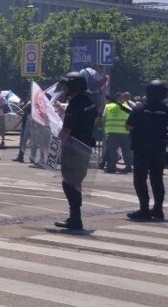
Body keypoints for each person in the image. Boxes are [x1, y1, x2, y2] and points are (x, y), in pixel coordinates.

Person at [55, 71, 98, 232]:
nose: (64, 88)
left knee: (69, 184)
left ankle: (75, 219)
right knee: (76, 183)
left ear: (73, 86)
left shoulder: (75, 104)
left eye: (66, 85)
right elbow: (93, 120)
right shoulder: (88, 101)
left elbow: (66, 130)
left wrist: (55, 135)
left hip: (74, 148)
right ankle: (75, 217)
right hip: (85, 145)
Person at [126, 79, 168, 222]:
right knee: (157, 179)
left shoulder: (139, 109)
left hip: (142, 148)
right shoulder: (165, 110)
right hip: (160, 149)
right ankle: (158, 209)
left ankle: (144, 209)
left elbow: (129, 126)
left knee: (140, 179)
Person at [101, 93, 133, 173]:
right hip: (124, 132)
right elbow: (132, 118)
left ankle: (111, 167)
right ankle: (128, 166)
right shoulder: (126, 107)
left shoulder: (108, 106)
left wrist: (104, 129)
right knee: (126, 150)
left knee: (112, 150)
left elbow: (103, 119)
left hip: (112, 131)